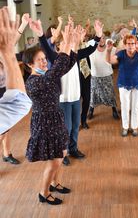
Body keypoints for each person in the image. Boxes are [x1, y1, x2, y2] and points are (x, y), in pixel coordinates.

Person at [23, 21, 79, 205]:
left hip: (56, 118)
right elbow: (58, 69)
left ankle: (55, 182)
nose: (44, 61)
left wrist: (72, 46)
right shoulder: (34, 82)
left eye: (44, 58)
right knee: (55, 161)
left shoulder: (46, 76)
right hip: (44, 124)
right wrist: (67, 45)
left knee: (62, 153)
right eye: (39, 60)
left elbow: (67, 65)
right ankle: (43, 192)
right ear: (30, 64)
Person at [0, 7, 32, 137]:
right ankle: (7, 153)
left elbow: (11, 42)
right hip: (6, 91)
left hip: (6, 88)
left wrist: (23, 24)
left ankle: (7, 152)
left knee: (5, 131)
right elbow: (21, 105)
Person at [106, 34, 138, 137]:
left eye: (133, 43)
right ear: (125, 44)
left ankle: (134, 127)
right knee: (125, 106)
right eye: (129, 43)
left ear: (136, 44)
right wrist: (109, 51)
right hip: (124, 83)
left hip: (137, 83)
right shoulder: (121, 54)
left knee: (135, 106)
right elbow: (110, 61)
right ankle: (125, 127)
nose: (131, 45)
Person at [88, 33, 120, 120]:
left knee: (110, 94)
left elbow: (120, 50)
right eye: (99, 38)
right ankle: (91, 110)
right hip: (95, 76)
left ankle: (114, 109)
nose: (101, 40)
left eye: (103, 38)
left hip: (107, 75)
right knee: (93, 94)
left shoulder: (111, 48)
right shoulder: (90, 47)